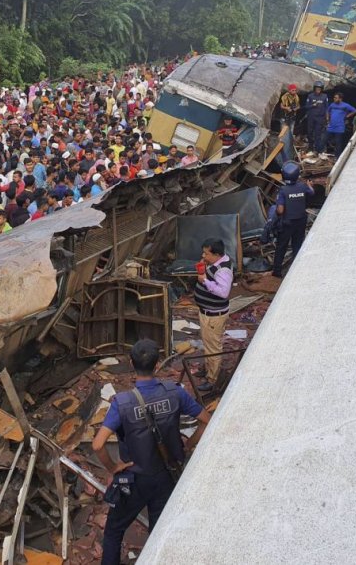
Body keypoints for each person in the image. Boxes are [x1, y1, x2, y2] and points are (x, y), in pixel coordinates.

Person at [92, 339, 211, 565]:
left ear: (131, 363)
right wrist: (188, 445)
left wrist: (114, 467)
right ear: (157, 365)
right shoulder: (175, 392)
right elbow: (206, 420)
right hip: (168, 474)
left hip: (135, 479)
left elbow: (98, 445)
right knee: (159, 533)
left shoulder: (122, 403)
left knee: (114, 531)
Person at [193, 238, 234, 393]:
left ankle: (212, 379)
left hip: (213, 315)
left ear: (217, 254)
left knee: (213, 348)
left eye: (206, 253)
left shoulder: (223, 270)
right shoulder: (217, 262)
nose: (203, 256)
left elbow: (223, 292)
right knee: (209, 343)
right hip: (207, 312)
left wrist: (204, 281)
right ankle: (208, 369)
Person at [272, 161, 315, 278]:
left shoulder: (283, 190)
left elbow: (280, 210)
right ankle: (297, 271)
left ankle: (277, 272)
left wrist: (276, 209)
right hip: (301, 221)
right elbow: (312, 193)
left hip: (287, 223)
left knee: (281, 246)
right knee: (297, 245)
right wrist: (309, 185)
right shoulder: (303, 186)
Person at [325, 93, 356, 157]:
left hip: (339, 127)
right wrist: (327, 119)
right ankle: (321, 152)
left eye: (336, 98)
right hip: (331, 126)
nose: (334, 99)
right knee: (324, 139)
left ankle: (338, 156)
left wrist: (347, 116)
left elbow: (354, 110)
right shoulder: (332, 105)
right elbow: (327, 111)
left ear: (340, 99)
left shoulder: (345, 105)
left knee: (338, 143)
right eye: (334, 97)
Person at [305, 81, 328, 160]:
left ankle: (318, 150)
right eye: (317, 88)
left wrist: (326, 118)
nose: (318, 90)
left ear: (322, 89)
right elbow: (306, 106)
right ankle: (311, 149)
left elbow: (327, 108)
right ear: (314, 88)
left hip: (320, 118)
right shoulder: (310, 96)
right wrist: (312, 105)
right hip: (311, 118)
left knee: (318, 134)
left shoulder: (325, 96)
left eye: (319, 88)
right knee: (309, 133)